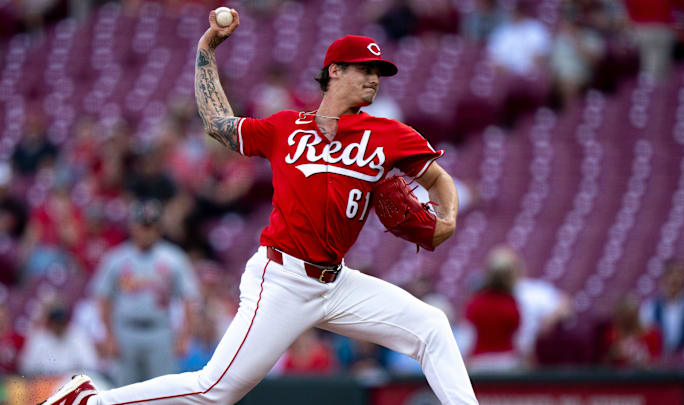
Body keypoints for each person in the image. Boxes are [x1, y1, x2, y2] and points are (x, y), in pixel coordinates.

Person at [41, 8, 477, 405]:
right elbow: (218, 124)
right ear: (335, 71)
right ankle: (87, 402)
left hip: (336, 281)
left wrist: (450, 216)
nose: (374, 79)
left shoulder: (389, 134)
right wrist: (206, 49)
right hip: (283, 279)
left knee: (432, 327)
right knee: (216, 390)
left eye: (379, 72)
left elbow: (437, 180)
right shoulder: (285, 126)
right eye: (365, 69)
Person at [91, 199, 199, 386]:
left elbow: (189, 298)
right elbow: (103, 298)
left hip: (160, 332)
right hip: (125, 332)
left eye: (151, 226)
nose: (147, 231)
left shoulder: (173, 258)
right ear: (133, 227)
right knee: (123, 392)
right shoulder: (116, 258)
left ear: (159, 229)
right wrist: (108, 335)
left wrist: (184, 336)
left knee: (162, 392)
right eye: (143, 225)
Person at [639, 260, 684, 361]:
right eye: (671, 275)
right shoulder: (649, 306)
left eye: (678, 277)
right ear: (664, 279)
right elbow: (646, 334)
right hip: (658, 360)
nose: (674, 280)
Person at [465, 252, 521, 371]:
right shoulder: (511, 303)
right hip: (505, 361)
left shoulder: (475, 302)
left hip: (481, 362)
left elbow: (469, 337)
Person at [19, 299, 98, 376]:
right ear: (50, 323)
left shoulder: (78, 337)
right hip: (45, 383)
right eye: (56, 322)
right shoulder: (39, 339)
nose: (59, 326)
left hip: (71, 382)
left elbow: (91, 366)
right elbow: (26, 369)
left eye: (62, 322)